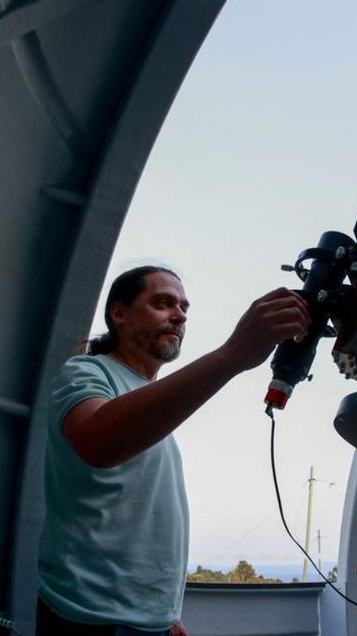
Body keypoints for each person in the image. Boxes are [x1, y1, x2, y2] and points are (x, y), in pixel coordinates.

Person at [36, 266, 310, 635]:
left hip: (148, 620)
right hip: (91, 616)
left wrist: (164, 614)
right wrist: (231, 356)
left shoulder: (147, 403)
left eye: (183, 307)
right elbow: (95, 441)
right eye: (162, 303)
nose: (179, 315)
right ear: (119, 314)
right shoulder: (87, 371)